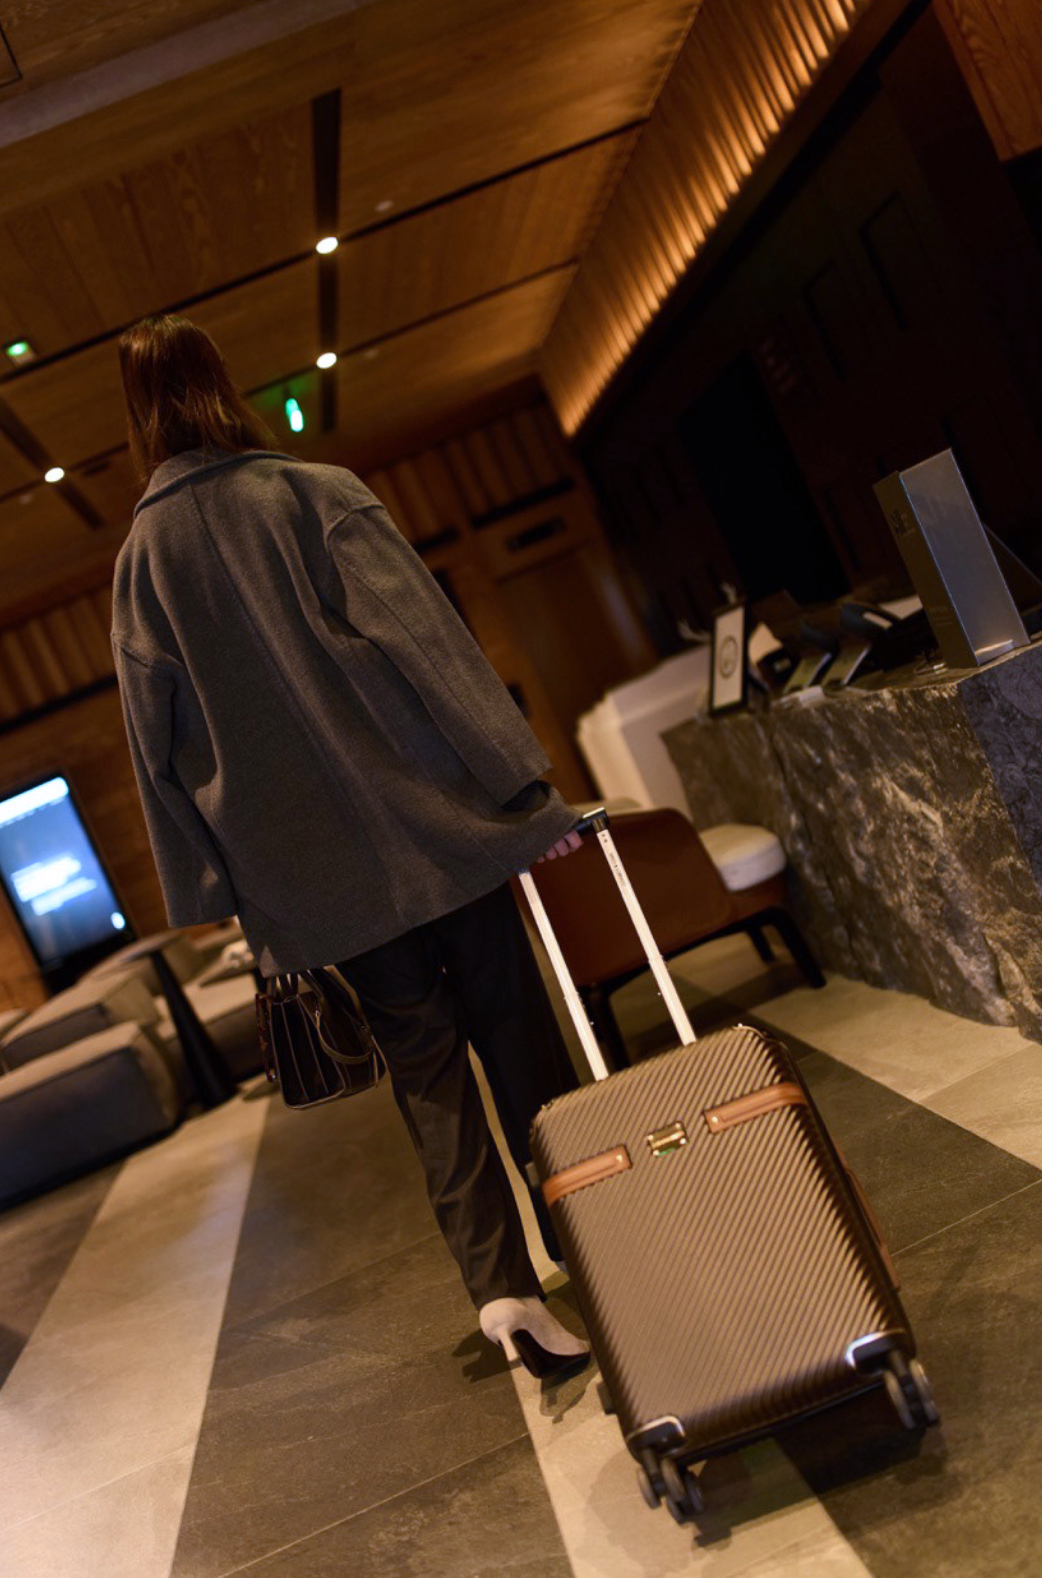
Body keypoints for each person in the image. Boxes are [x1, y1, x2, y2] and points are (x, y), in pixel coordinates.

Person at [111, 314, 589, 1379]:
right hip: (437, 832)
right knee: (518, 1039)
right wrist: (522, 787)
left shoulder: (141, 562)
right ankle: (593, 1243)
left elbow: (156, 742)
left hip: (314, 880)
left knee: (425, 1075)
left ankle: (503, 1292)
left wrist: (214, 889)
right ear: (223, 382)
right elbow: (429, 645)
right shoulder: (311, 494)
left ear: (137, 415)